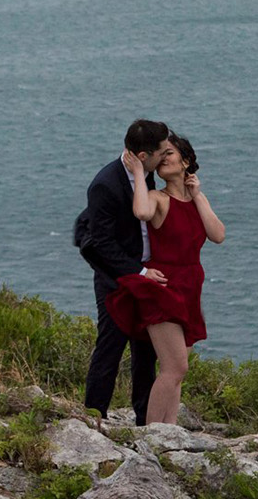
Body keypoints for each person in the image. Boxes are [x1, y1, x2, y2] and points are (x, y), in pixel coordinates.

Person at [105, 132, 224, 429]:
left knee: (177, 372)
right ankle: (151, 434)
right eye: (161, 154)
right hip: (164, 287)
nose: (162, 157)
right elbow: (141, 211)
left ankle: (169, 432)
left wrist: (197, 194)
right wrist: (136, 171)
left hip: (190, 288)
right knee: (174, 367)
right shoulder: (158, 197)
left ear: (185, 162)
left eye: (169, 153)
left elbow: (218, 234)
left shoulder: (196, 198)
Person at [75, 119, 172, 421]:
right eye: (162, 153)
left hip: (147, 274)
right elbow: (102, 243)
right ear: (144, 157)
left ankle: (144, 419)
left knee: (146, 350)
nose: (166, 157)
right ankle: (94, 416)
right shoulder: (105, 184)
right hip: (115, 279)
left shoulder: (146, 176)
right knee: (111, 346)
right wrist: (138, 272)